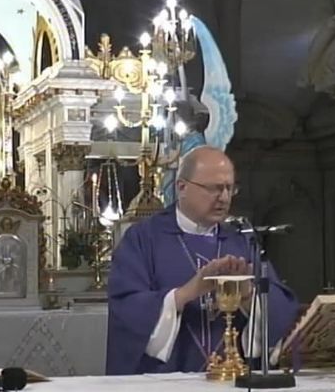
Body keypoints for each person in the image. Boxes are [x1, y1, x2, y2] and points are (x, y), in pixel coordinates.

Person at [106, 146, 299, 375]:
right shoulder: (143, 239)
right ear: (182, 187)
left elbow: (279, 307)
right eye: (214, 188)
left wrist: (248, 295)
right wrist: (187, 293)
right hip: (166, 383)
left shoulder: (241, 240)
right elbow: (126, 309)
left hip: (234, 383)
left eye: (230, 188)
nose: (224, 198)